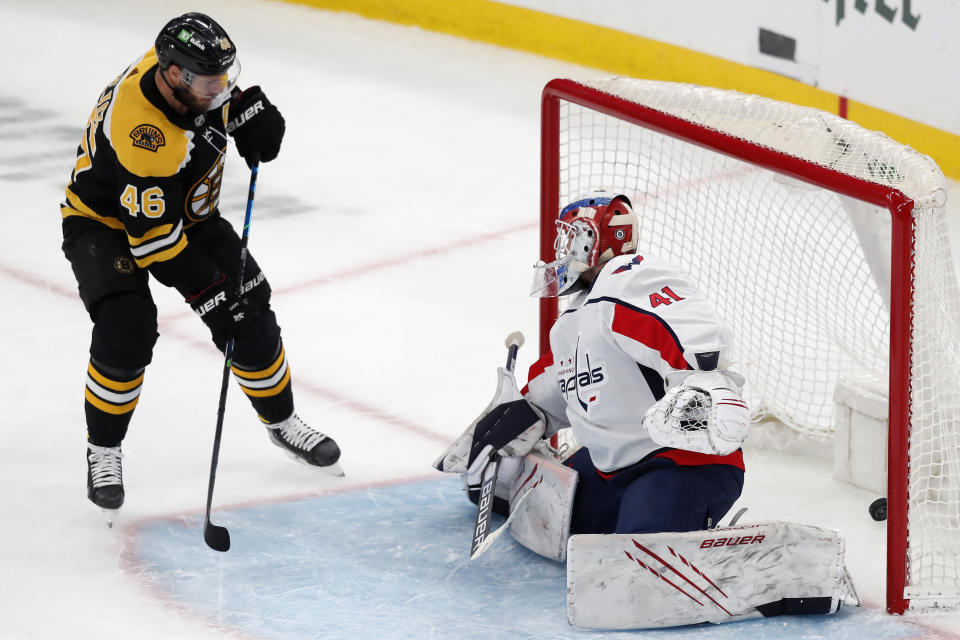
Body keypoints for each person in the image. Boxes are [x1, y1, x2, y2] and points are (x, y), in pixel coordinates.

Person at [61, 12, 342, 517]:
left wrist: (244, 110)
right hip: (105, 224)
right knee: (127, 327)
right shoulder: (145, 135)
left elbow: (216, 105)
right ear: (172, 75)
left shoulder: (179, 75)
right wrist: (211, 291)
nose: (220, 89)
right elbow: (152, 243)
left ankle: (281, 423)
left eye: (224, 78)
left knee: (251, 311)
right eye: (211, 83)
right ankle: (103, 450)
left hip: (184, 212)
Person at [440, 192, 749, 536]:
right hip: (610, 469)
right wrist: (506, 428)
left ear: (593, 240)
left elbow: (679, 324)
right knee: (541, 516)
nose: (562, 250)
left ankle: (718, 551)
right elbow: (551, 389)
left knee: (635, 564)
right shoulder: (572, 319)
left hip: (678, 464)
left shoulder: (628, 275)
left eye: (570, 237)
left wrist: (706, 380)